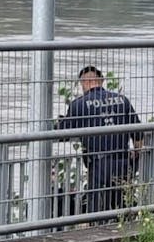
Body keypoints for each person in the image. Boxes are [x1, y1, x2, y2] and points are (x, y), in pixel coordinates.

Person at [57, 65, 142, 215]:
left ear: (83, 83)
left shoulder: (78, 105)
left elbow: (63, 134)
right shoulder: (123, 100)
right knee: (122, 207)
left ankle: (95, 229)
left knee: (95, 209)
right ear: (101, 80)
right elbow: (138, 134)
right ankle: (124, 232)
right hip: (122, 161)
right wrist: (135, 154)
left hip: (97, 165)